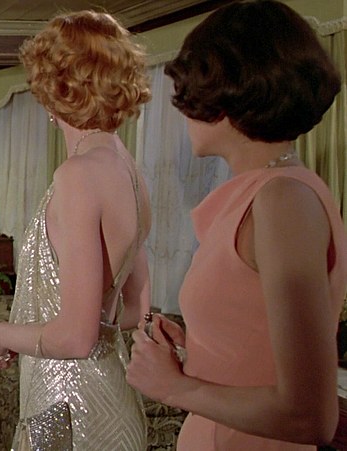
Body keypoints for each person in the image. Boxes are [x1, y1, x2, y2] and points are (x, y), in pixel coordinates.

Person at [126, 1, 347, 449]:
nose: (183, 111)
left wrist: (173, 387)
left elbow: (309, 415)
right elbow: (258, 350)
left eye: (190, 91)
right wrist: (196, 353)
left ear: (228, 92)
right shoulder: (265, 192)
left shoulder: (283, 200)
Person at [0, 10, 152, 450]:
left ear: (52, 89)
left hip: (69, 412)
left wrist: (2, 334)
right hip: (115, 406)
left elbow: (77, 336)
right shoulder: (130, 172)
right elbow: (134, 312)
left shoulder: (79, 175)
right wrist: (30, 337)